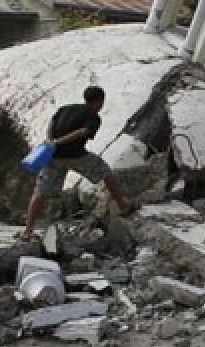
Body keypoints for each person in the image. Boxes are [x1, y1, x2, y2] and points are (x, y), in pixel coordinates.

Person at [22, 86, 138, 239]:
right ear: (98, 102)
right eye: (101, 103)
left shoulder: (64, 109)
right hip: (75, 156)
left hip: (53, 156)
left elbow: (52, 122)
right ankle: (123, 205)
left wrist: (51, 141)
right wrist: (59, 141)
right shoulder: (93, 117)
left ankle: (27, 231)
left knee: (40, 192)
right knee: (105, 172)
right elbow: (82, 132)